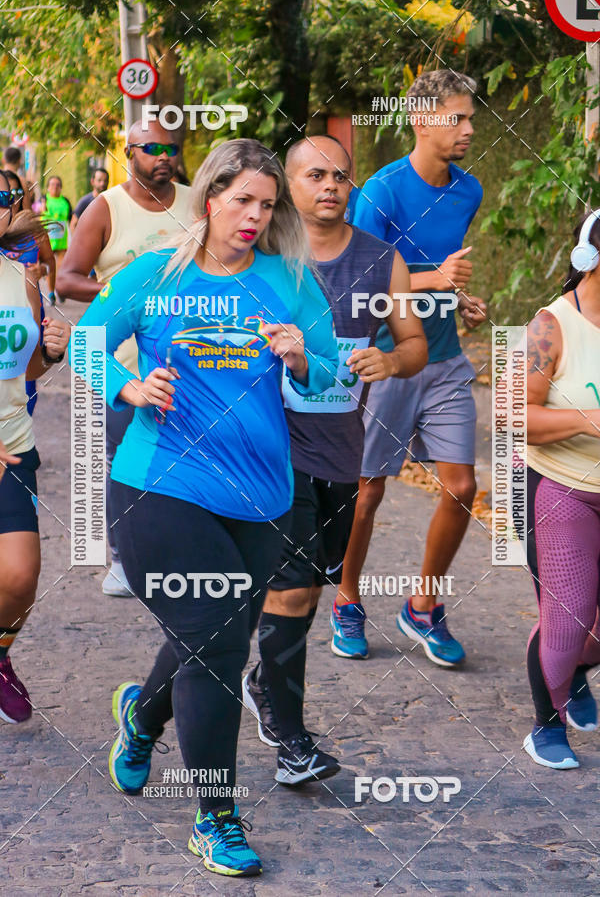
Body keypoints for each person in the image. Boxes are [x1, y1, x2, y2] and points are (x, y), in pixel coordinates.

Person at [72, 138, 338, 876]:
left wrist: (302, 360)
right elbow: (88, 341)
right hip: (162, 485)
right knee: (216, 640)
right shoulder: (157, 274)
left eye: (266, 204)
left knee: (208, 641)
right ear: (210, 197)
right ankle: (215, 815)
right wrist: (126, 388)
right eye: (241, 199)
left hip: (263, 498)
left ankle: (141, 718)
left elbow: (335, 380)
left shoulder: (288, 281)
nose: (254, 216)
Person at [242, 135, 427, 784]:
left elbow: (413, 344)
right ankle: (290, 736)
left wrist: (391, 360)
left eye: (341, 176)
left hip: (341, 455)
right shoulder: (261, 260)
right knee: (290, 589)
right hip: (275, 451)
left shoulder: (382, 261)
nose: (330, 186)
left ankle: (257, 677)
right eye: (315, 174)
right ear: (288, 184)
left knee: (311, 585)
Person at [337, 69, 487, 666]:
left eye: (471, 117)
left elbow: (442, 275)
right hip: (390, 360)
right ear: (423, 121)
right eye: (457, 117)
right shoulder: (381, 192)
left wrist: (459, 299)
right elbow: (360, 280)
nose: (469, 128)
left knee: (464, 486)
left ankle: (422, 606)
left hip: (445, 358)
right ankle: (347, 600)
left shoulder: (468, 191)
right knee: (368, 493)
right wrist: (435, 280)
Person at [57, 119, 193, 598]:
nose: (164, 156)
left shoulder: (197, 203)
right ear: (129, 151)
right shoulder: (104, 209)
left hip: (190, 361)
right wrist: (130, 297)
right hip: (122, 361)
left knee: (183, 457)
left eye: (170, 148)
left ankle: (177, 554)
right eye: (152, 147)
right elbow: (67, 280)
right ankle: (121, 558)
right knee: (124, 459)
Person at [522, 210, 600, 769]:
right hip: (563, 487)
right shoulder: (550, 325)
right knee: (568, 617)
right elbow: (512, 416)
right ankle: (545, 725)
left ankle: (572, 672)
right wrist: (587, 419)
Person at [0, 168, 71, 723]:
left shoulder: (22, 274)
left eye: (6, 197)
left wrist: (52, 350)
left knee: (21, 577)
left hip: (13, 444)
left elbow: (28, 372)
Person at [1, 170, 57, 413]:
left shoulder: (33, 229)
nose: (10, 200)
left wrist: (39, 271)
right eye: (7, 195)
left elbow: (49, 263)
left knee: (23, 382)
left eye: (12, 194)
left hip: (27, 305)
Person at [41, 175, 72, 274]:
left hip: (61, 241)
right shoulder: (43, 200)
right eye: (52, 184)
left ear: (61, 187)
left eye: (58, 185)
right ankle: (50, 289)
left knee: (62, 268)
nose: (55, 187)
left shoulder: (65, 201)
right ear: (48, 187)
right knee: (48, 268)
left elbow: (70, 219)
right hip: (47, 240)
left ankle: (59, 286)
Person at [70, 167, 109, 233]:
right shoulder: (84, 202)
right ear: (92, 181)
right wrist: (79, 242)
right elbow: (73, 224)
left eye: (105, 181)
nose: (103, 184)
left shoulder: (110, 201)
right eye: (99, 180)